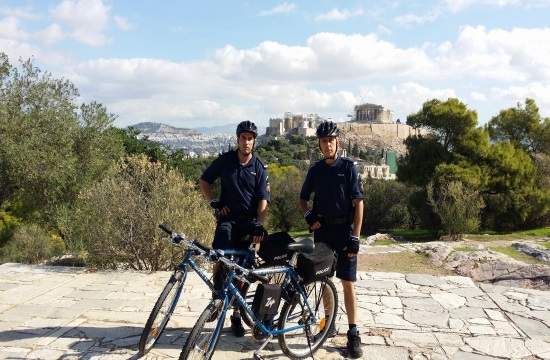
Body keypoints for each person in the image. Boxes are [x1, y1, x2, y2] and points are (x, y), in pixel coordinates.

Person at [299, 121, 364, 358]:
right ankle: (328, 323)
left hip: (344, 232)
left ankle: (353, 332)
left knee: (348, 282)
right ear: (319, 144)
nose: (328, 145)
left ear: (338, 142)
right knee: (324, 279)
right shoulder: (315, 170)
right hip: (323, 233)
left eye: (331, 140)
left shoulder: (348, 168)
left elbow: (359, 204)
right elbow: (303, 199)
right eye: (324, 141)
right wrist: (309, 216)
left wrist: (356, 236)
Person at [199, 120, 270, 337]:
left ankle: (236, 314)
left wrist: (260, 224)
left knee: (241, 270)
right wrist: (214, 202)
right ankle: (217, 298)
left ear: (254, 141)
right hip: (227, 220)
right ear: (237, 139)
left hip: (248, 223)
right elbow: (204, 181)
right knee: (220, 257)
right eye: (243, 138)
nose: (246, 142)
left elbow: (263, 199)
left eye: (250, 138)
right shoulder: (225, 161)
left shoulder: (259, 167)